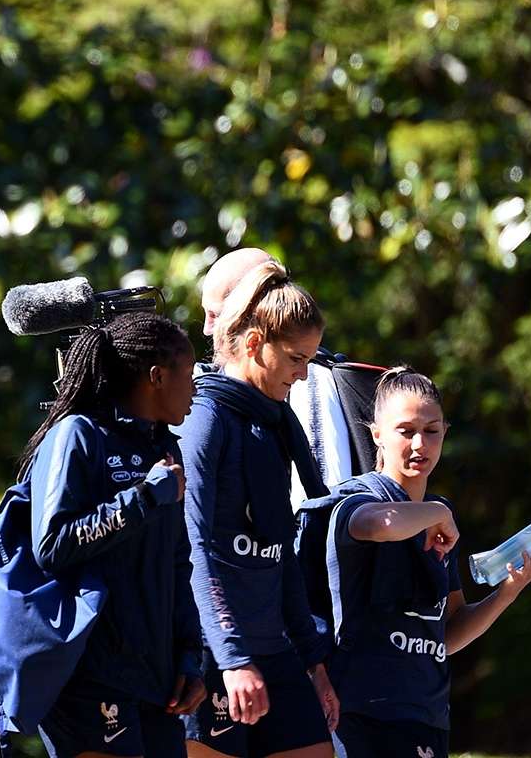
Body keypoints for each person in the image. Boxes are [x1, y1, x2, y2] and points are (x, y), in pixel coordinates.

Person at [315, 368, 531, 757]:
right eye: (405, 431)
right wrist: (435, 512)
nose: (419, 444)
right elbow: (376, 524)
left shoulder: (439, 517)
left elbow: (446, 635)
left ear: (445, 432)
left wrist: (508, 591)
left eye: (432, 430)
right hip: (358, 715)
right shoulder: (357, 497)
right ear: (377, 434)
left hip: (426, 716)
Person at [19, 313, 205, 758]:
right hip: (90, 676)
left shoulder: (164, 447)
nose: (195, 389)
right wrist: (144, 497)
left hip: (157, 679)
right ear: (157, 377)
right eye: (189, 375)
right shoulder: (78, 434)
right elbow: (53, 544)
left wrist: (189, 654)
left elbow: (177, 562)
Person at [181, 262, 336, 758]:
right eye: (295, 358)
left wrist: (314, 661)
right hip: (213, 653)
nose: (304, 373)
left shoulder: (274, 421)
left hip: (276, 649)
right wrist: (231, 659)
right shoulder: (205, 418)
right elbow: (193, 547)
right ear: (253, 344)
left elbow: (280, 553)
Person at [199, 249, 358, 504]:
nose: (207, 329)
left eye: (216, 314)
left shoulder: (308, 382)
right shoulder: (209, 397)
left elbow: (324, 499)